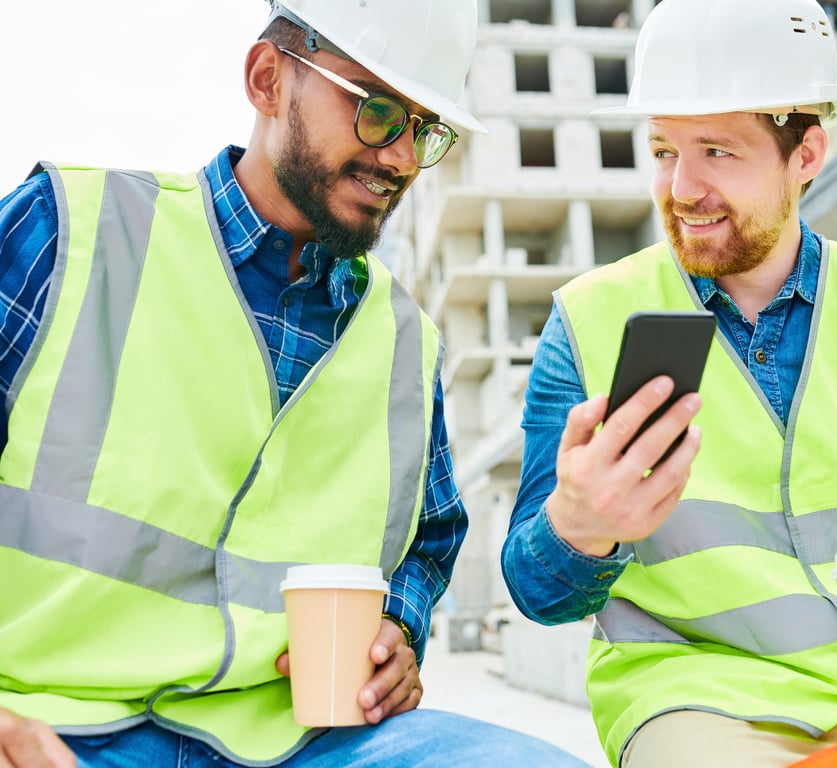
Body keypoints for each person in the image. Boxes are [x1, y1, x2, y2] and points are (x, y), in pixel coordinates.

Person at [0, 1, 591, 767]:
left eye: (424, 130)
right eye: (377, 109)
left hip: (297, 739)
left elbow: (431, 536)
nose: (401, 158)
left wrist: (398, 628)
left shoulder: (406, 341)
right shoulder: (73, 233)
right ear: (267, 79)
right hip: (55, 724)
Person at [500, 0, 837, 766]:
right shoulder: (588, 322)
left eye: (717, 151)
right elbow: (537, 592)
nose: (682, 187)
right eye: (664, 150)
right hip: (700, 703)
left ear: (806, 154)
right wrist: (578, 528)